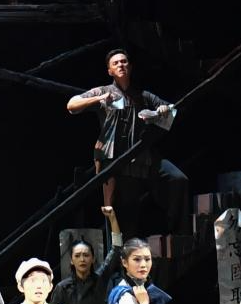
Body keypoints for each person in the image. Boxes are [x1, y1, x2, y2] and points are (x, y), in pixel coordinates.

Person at [66, 48, 189, 237]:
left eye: (124, 62)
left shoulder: (143, 95)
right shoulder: (104, 91)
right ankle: (118, 253)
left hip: (142, 156)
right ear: (110, 71)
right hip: (115, 159)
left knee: (177, 179)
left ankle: (178, 233)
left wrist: (163, 110)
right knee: (121, 215)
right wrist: (99, 99)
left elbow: (172, 110)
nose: (120, 65)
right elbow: (72, 105)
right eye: (115, 63)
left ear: (130, 67)